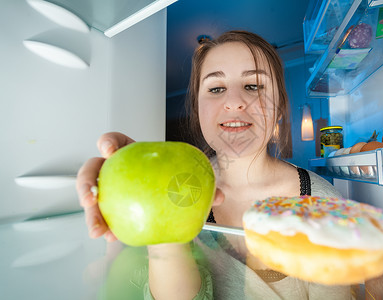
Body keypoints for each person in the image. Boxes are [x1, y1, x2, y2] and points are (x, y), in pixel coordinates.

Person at [77, 30, 352, 299]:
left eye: (253, 86)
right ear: (198, 108)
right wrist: (144, 187)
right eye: (216, 88)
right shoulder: (176, 188)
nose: (233, 102)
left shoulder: (325, 205)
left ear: (279, 108)